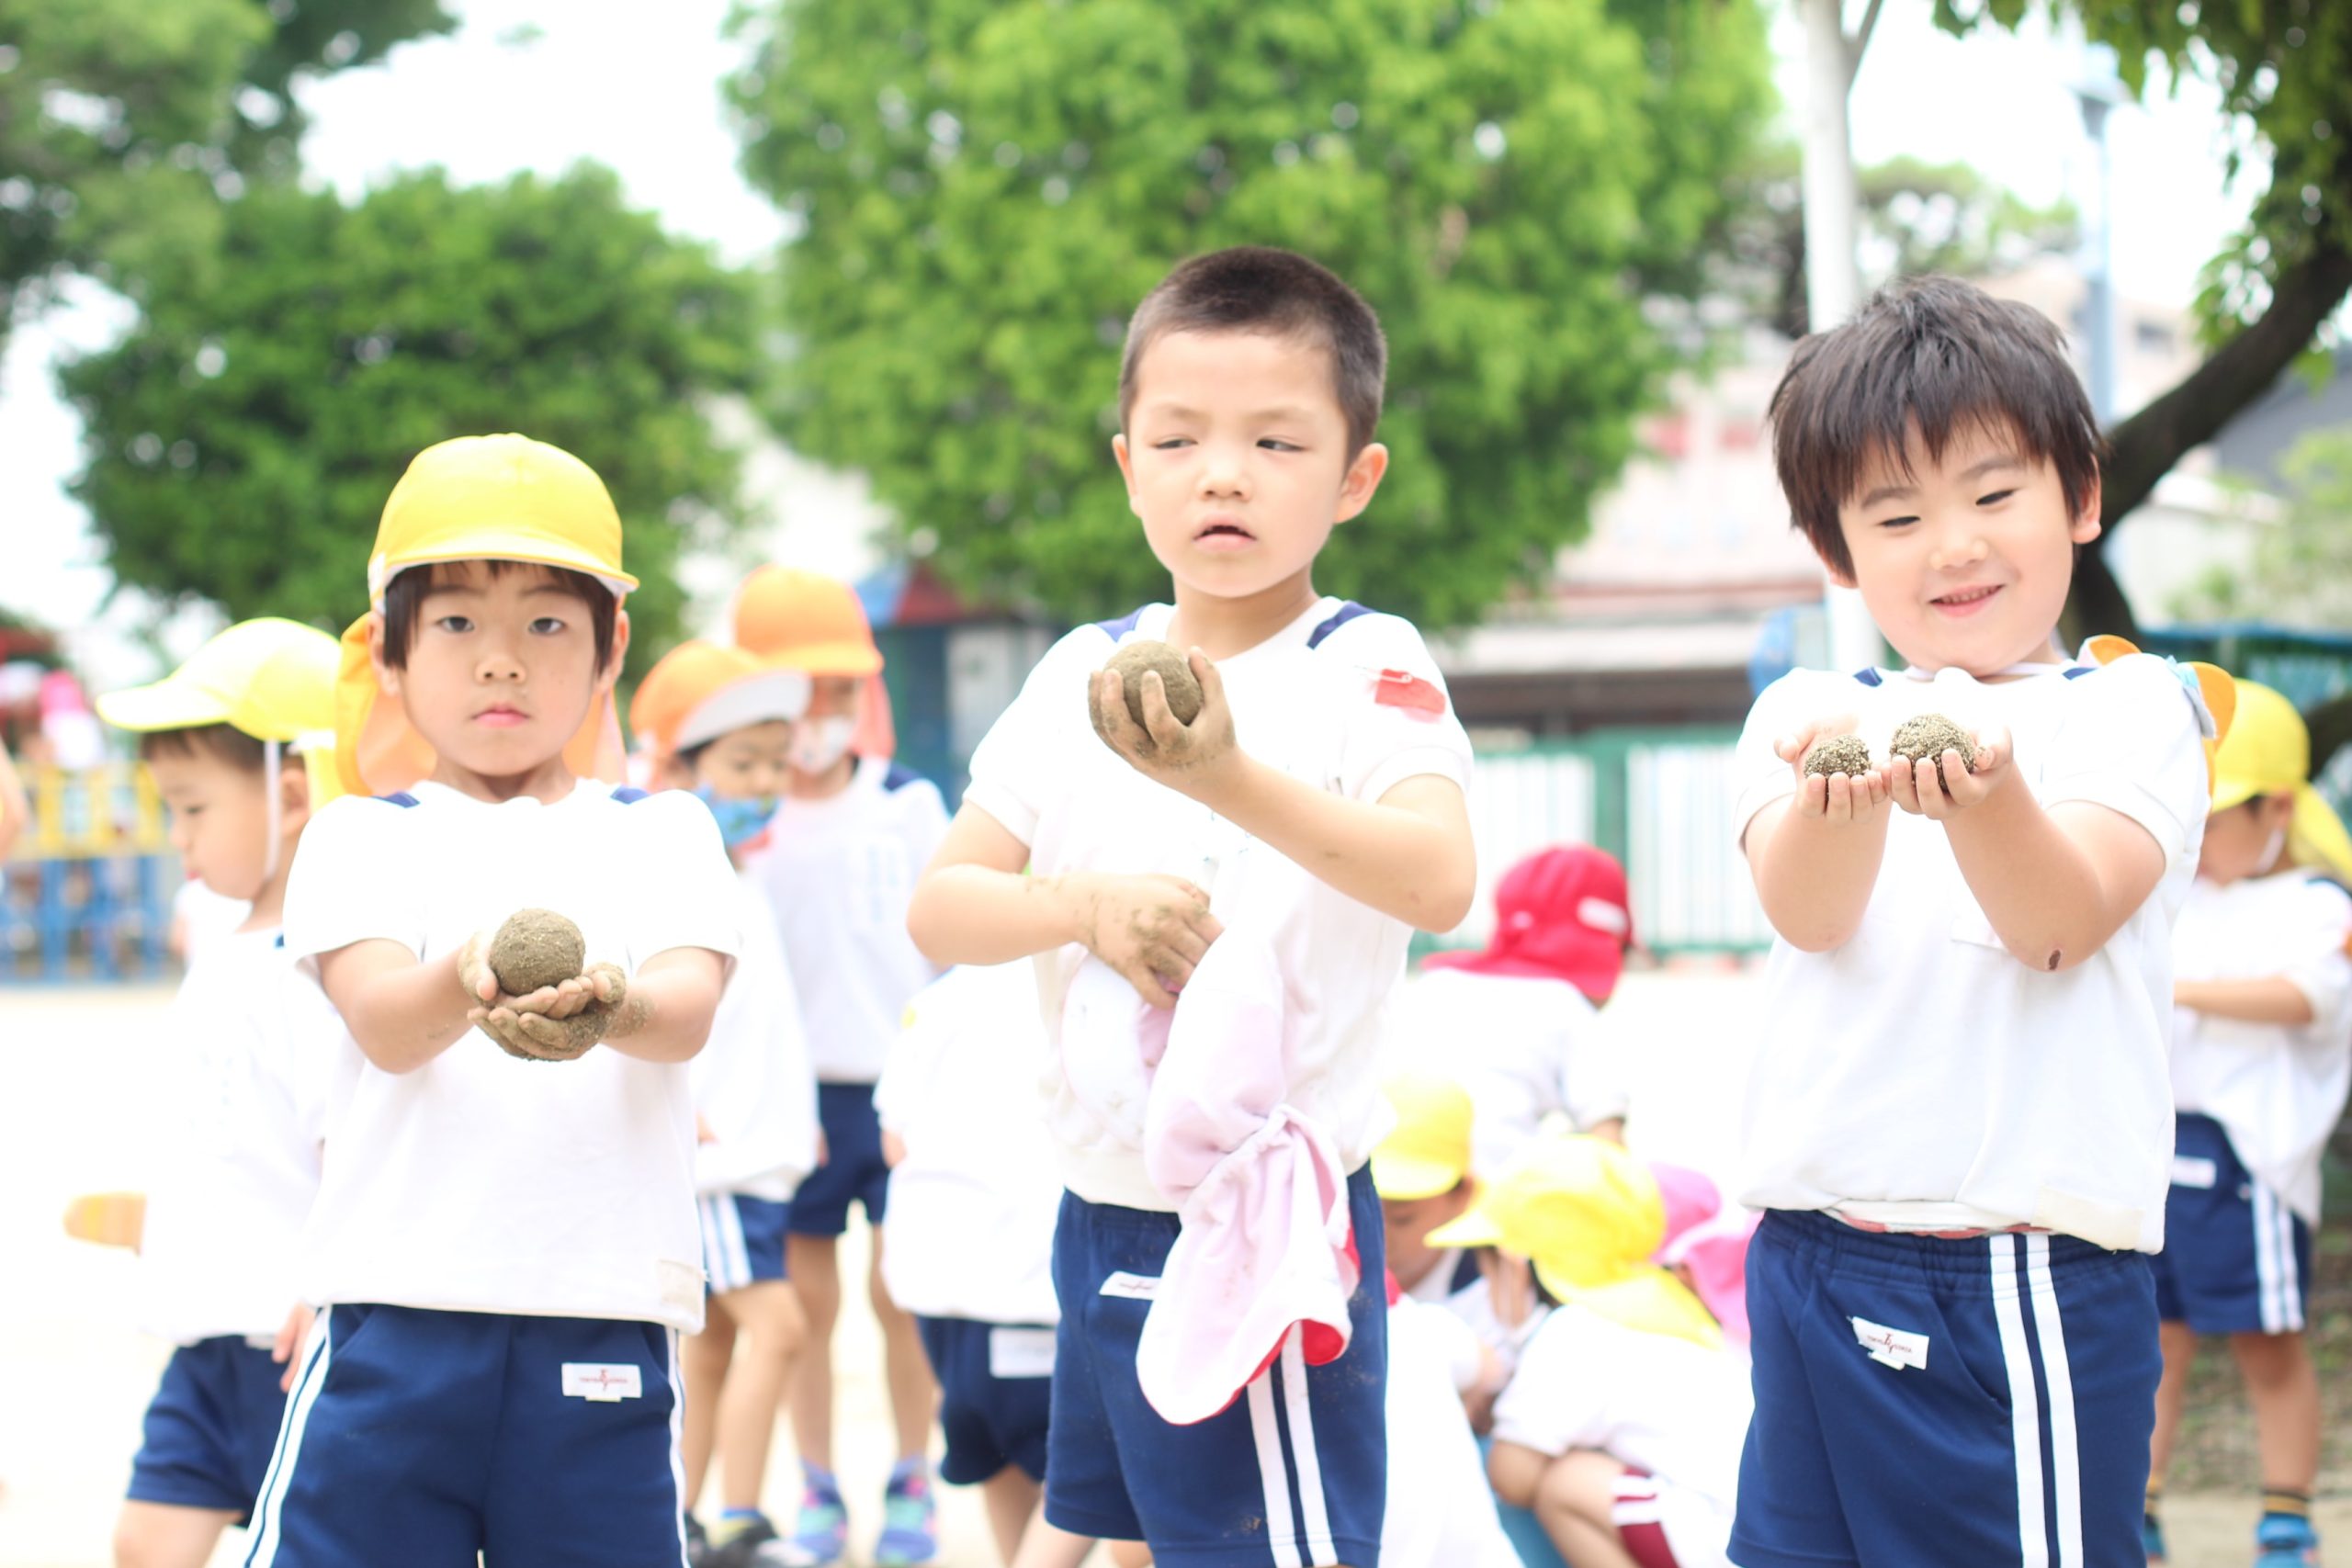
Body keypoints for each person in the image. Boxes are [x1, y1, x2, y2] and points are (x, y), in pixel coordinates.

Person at [909, 244, 1478, 1568]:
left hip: (1268, 1220)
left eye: (1276, 440)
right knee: (1100, 1519)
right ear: (1128, 466)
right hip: (1097, 1206)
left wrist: (1225, 774)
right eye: (1180, 437)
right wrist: (1082, 908)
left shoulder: (1367, 664)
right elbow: (945, 907)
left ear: (1355, 476)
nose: (1222, 472)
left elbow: (1438, 877)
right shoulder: (1079, 671)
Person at [1731, 277, 2222, 1568]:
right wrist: (1840, 782)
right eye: (1897, 513)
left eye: (1994, 495)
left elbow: (2060, 921)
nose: (1951, 543)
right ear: (1838, 552)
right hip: (1807, 1261)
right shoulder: (1807, 709)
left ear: (2081, 495)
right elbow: (1809, 911)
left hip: (2022, 1282)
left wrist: (1987, 792)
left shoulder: (2138, 710)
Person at [249, 433, 741, 1566]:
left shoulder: (662, 830)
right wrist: (469, 973)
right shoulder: (360, 834)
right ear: (391, 653)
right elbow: (384, 1020)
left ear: (611, 647)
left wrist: (608, 1008)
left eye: (547, 624)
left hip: (606, 1313)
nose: (501, 661)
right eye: (459, 621)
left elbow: (686, 1007)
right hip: (394, 1318)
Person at [93, 620, 349, 1568]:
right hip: (207, 1348)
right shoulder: (224, 941)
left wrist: (333, 1285)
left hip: (297, 1350)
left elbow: (352, 1148)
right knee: (144, 1545)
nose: (178, 836)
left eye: (194, 809)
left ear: (292, 793)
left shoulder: (326, 965)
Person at [734, 564, 948, 1567]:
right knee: (803, 1308)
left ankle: (914, 1473)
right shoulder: (741, 821)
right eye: (795, 689)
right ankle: (816, 1484)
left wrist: (936, 1090)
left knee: (902, 1295)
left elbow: (949, 961)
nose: (816, 713)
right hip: (794, 1100)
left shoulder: (906, 804)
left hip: (900, 1089)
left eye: (834, 688)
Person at [2144, 681, 2352, 1568]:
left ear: (2276, 806)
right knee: (2154, 1342)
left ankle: (2286, 1519)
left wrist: (2177, 992)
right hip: (2159, 1145)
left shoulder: (2318, 902)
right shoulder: (2187, 888)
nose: (2202, 831)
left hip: (2247, 1160)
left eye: (2217, 813)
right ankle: (2140, 1507)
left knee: (2267, 1342)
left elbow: (2308, 997)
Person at [631, 640, 825, 1567]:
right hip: (721, 1164)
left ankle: (683, 1517)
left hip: (757, 1157)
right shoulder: (672, 879)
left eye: (772, 764)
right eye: (740, 763)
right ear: (677, 769)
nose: (764, 783)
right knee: (779, 1328)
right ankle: (739, 1518)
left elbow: (767, 1030)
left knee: (710, 1352)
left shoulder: (739, 876)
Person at [1454, 1136, 1752, 1568]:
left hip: (1720, 1542)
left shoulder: (1573, 1332)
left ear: (1513, 1266)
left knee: (1565, 1484)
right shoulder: (1669, 1304)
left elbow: (1510, 1478)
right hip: (1759, 1531)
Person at [871, 961, 1063, 1565]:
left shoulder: (935, 1000)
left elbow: (893, 1137)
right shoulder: (1074, 983)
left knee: (991, 1452)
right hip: (1038, 1284)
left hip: (942, 1283)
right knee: (1079, 1476)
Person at [1391, 845, 1634, 1170]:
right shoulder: (1567, 1006)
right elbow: (1609, 1147)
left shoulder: (1432, 985)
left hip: (1392, 1185)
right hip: (1491, 1198)